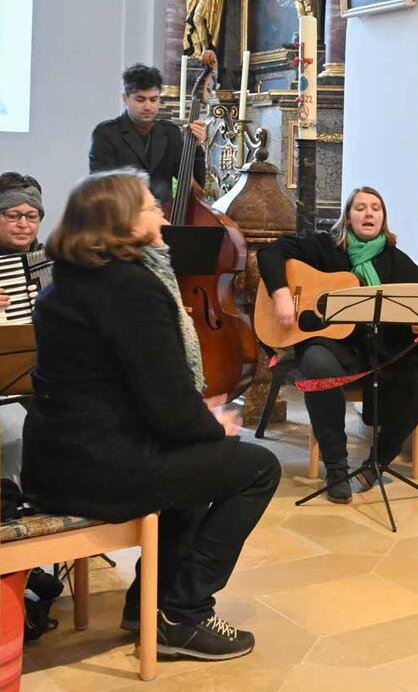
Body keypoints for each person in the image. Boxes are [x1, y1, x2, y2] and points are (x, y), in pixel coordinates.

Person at [21, 170, 279, 659]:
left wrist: (198, 429)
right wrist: (213, 424)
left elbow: (127, 390)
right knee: (256, 468)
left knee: (198, 459)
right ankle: (184, 613)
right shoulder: (131, 287)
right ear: (119, 222)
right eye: (149, 206)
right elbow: (168, 405)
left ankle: (149, 605)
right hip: (99, 468)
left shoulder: (67, 280)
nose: (162, 214)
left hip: (56, 461)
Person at [257, 186, 418, 502]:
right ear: (347, 216)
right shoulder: (325, 248)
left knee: (417, 374)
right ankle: (337, 466)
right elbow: (270, 253)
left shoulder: (396, 260)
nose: (368, 213)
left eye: (375, 208)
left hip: (380, 351)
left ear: (383, 218)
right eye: (360, 208)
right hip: (333, 346)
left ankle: (377, 463)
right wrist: (282, 294)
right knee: (316, 363)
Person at [89, 64, 207, 204]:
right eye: (140, 99)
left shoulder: (170, 132)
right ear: (125, 99)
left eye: (153, 99)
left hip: (163, 217)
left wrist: (197, 146)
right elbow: (101, 187)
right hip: (122, 217)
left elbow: (195, 187)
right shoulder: (106, 133)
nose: (148, 107)